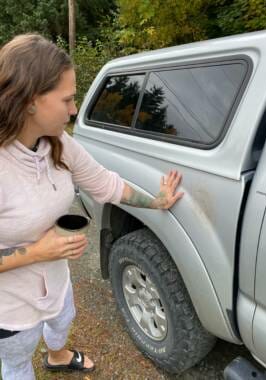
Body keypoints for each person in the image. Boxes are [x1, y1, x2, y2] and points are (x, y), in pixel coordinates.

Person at [0, 33, 184, 380]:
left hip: (55, 280)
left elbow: (106, 184)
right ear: (29, 102)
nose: (74, 110)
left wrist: (158, 201)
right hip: (8, 309)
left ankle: (57, 356)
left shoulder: (58, 142)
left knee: (63, 318)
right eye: (67, 99)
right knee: (16, 363)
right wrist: (36, 253)